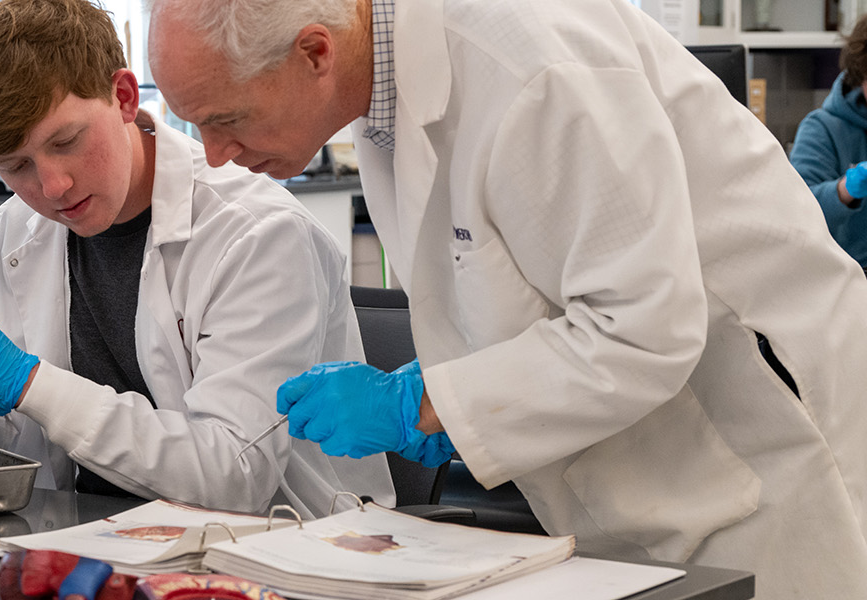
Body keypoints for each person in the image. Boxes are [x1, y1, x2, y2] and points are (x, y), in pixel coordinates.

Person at [149, 0, 867, 596]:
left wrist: (425, 403)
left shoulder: (531, 62)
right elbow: (513, 281)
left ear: (314, 53)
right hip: (627, 473)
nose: (214, 155)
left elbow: (645, 329)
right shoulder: (383, 96)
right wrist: (445, 396)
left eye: (226, 120)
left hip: (759, 444)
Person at [0, 0, 393, 517]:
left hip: (280, 548)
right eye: (16, 165)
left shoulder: (257, 233)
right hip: (90, 537)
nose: (51, 186)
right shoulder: (12, 232)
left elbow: (234, 475)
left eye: (66, 141)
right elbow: (29, 450)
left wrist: (28, 381)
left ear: (124, 97)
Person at [791, 13, 867, 269]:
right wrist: (845, 190)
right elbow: (797, 214)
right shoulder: (822, 128)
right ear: (861, 73)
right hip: (850, 282)